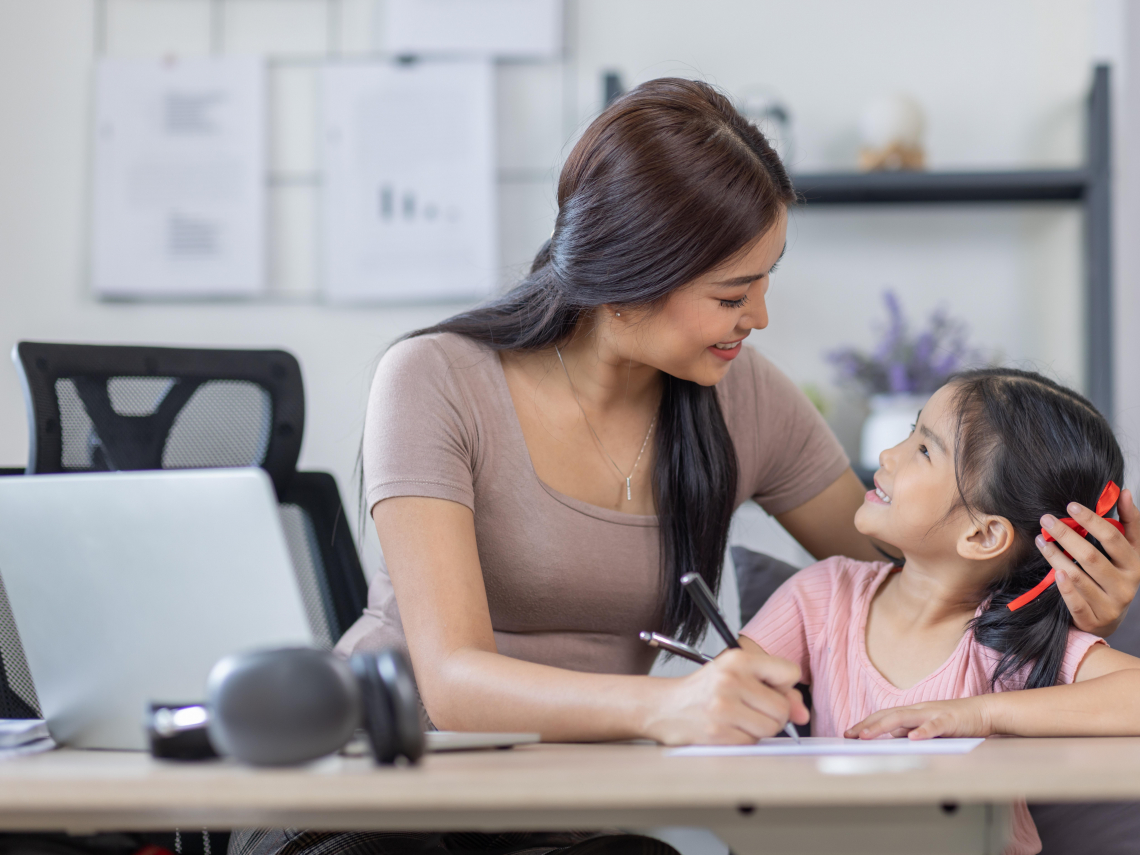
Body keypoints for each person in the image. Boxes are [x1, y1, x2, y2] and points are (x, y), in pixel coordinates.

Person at [231, 79, 1140, 855]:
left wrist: (1062, 587)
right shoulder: (435, 379)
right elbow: (453, 683)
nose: (762, 318)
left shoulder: (742, 397)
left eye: (768, 280)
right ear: (629, 276)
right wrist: (665, 707)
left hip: (562, 810)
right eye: (732, 294)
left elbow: (918, 569)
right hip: (383, 785)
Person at [740, 368, 1140, 855]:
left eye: (924, 450)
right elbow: (723, 689)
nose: (889, 455)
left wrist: (981, 714)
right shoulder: (821, 596)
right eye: (912, 431)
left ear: (982, 535)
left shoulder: (1009, 642)